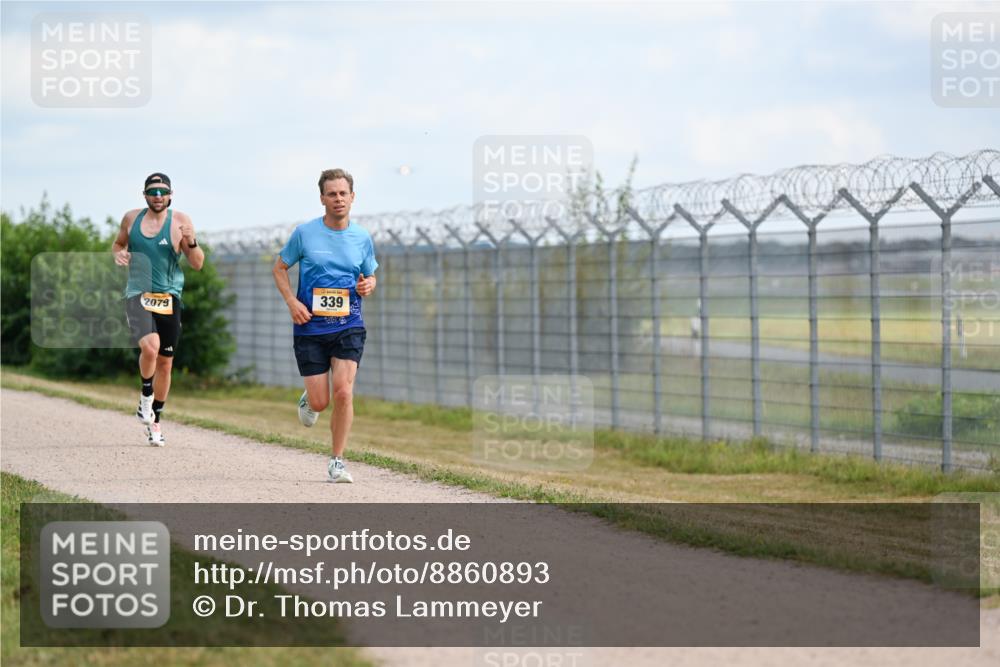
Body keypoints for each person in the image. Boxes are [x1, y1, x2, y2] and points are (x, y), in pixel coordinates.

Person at [273, 168, 378, 483]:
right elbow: (279, 269)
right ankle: (310, 398)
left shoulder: (361, 237)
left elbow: (370, 274)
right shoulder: (305, 233)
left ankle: (337, 461)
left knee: (344, 392)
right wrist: (292, 302)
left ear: (352, 197)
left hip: (349, 325)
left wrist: (369, 284)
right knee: (322, 401)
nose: (338, 199)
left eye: (343, 193)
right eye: (331, 194)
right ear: (322, 198)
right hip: (310, 328)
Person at [112, 173, 204, 446]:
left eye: (162, 191)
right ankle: (145, 397)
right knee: (150, 348)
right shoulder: (131, 219)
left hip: (169, 298)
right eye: (152, 191)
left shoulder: (181, 222)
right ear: (145, 195)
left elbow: (198, 263)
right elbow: (118, 244)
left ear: (170, 194)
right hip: (138, 294)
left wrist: (193, 241)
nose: (158, 196)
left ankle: (155, 421)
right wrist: (118, 253)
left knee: (165, 362)